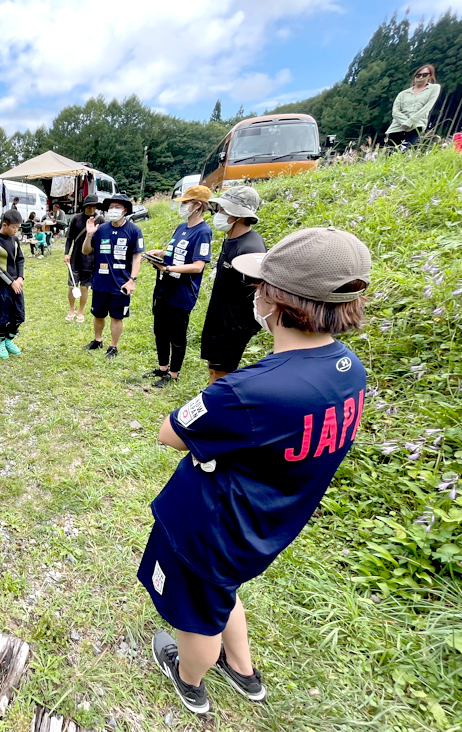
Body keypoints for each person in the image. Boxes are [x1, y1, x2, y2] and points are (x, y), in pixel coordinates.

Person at [141, 226, 371, 717]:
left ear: (278, 300)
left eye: (260, 286)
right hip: (267, 520)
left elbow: (170, 431)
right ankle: (243, 671)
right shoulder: (348, 368)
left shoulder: (252, 388)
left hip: (214, 525)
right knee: (223, 589)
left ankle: (190, 679)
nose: (256, 295)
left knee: (196, 617)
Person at [147, 185, 213, 386]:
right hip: (164, 288)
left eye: (186, 203)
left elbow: (197, 266)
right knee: (160, 330)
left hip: (182, 292)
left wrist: (168, 269)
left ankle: (173, 374)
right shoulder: (181, 227)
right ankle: (162, 368)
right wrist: (160, 254)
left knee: (177, 335)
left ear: (198, 205)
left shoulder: (203, 232)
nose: (182, 206)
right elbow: (175, 253)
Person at [201, 186, 266, 384]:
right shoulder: (231, 239)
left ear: (238, 215)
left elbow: (259, 293)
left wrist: (240, 329)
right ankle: (212, 405)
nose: (218, 214)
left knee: (222, 375)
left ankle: (216, 411)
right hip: (218, 318)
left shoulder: (251, 248)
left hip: (232, 327)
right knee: (214, 368)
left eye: (223, 210)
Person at [82, 194, 143, 360]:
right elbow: (86, 251)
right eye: (111, 207)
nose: (113, 210)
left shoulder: (134, 230)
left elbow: (138, 256)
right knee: (98, 314)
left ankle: (113, 346)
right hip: (101, 282)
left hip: (121, 284)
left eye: (117, 207)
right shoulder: (101, 229)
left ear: (125, 210)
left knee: (117, 316)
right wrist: (89, 235)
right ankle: (98, 340)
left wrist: (132, 280)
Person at [0, 209, 25, 360]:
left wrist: (20, 278)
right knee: (2, 317)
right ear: (5, 224)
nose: (16, 230)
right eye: (14, 227)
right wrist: (11, 282)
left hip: (17, 283)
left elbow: (20, 259)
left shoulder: (15, 240)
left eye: (18, 227)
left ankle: (8, 340)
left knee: (19, 316)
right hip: (4, 285)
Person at [386, 64, 441, 148]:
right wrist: (405, 122)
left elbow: (427, 108)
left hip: (416, 125)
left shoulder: (434, 88)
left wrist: (410, 122)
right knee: (390, 153)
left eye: (425, 75)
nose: (421, 77)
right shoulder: (402, 94)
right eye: (418, 75)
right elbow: (395, 112)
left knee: (407, 151)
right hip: (397, 126)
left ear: (430, 76)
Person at [64, 194, 100, 322]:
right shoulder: (76, 219)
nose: (92, 209)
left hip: (91, 259)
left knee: (85, 287)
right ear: (84, 206)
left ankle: (80, 311)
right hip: (75, 258)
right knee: (72, 285)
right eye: (89, 206)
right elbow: (69, 238)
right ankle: (72, 308)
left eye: (94, 206)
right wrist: (66, 253)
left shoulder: (100, 220)